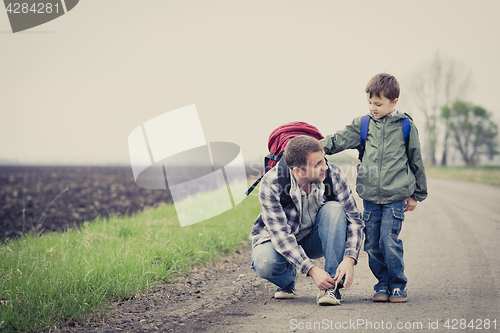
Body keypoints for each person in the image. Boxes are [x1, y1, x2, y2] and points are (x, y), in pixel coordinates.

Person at [320, 73, 428, 303]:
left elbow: (415, 159)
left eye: (378, 104)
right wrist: (313, 147)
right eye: (370, 102)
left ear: (394, 102)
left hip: (396, 196)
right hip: (370, 196)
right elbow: (338, 139)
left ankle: (398, 284)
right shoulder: (364, 124)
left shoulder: (406, 126)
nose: (373, 107)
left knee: (388, 241)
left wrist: (417, 194)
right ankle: (382, 283)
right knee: (372, 244)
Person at [250, 135, 365, 306]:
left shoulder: (332, 174)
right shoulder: (271, 183)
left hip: (315, 238)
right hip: (283, 241)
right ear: (298, 171)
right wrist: (311, 270)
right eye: (317, 164)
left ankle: (331, 287)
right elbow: (281, 237)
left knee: (334, 209)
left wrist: (350, 258)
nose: (324, 166)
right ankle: (286, 281)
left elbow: (355, 220)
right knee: (265, 263)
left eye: (323, 160)